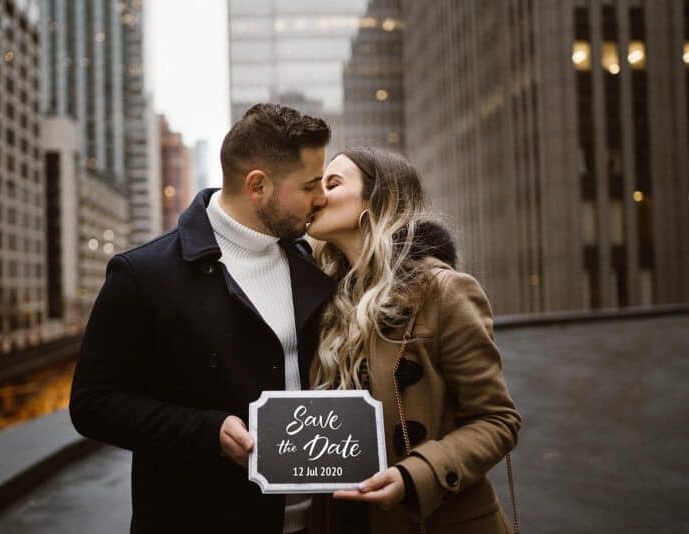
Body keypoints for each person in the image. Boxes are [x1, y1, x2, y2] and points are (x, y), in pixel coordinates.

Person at [69, 103, 338, 534]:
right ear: (258, 186)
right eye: (310, 186)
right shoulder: (144, 273)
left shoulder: (310, 261)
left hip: (315, 524)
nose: (321, 198)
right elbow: (92, 404)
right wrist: (207, 431)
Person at [306, 147, 522, 534]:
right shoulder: (323, 300)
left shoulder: (443, 291)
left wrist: (414, 476)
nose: (316, 194)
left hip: (437, 522)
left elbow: (498, 421)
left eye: (332, 183)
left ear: (378, 198)